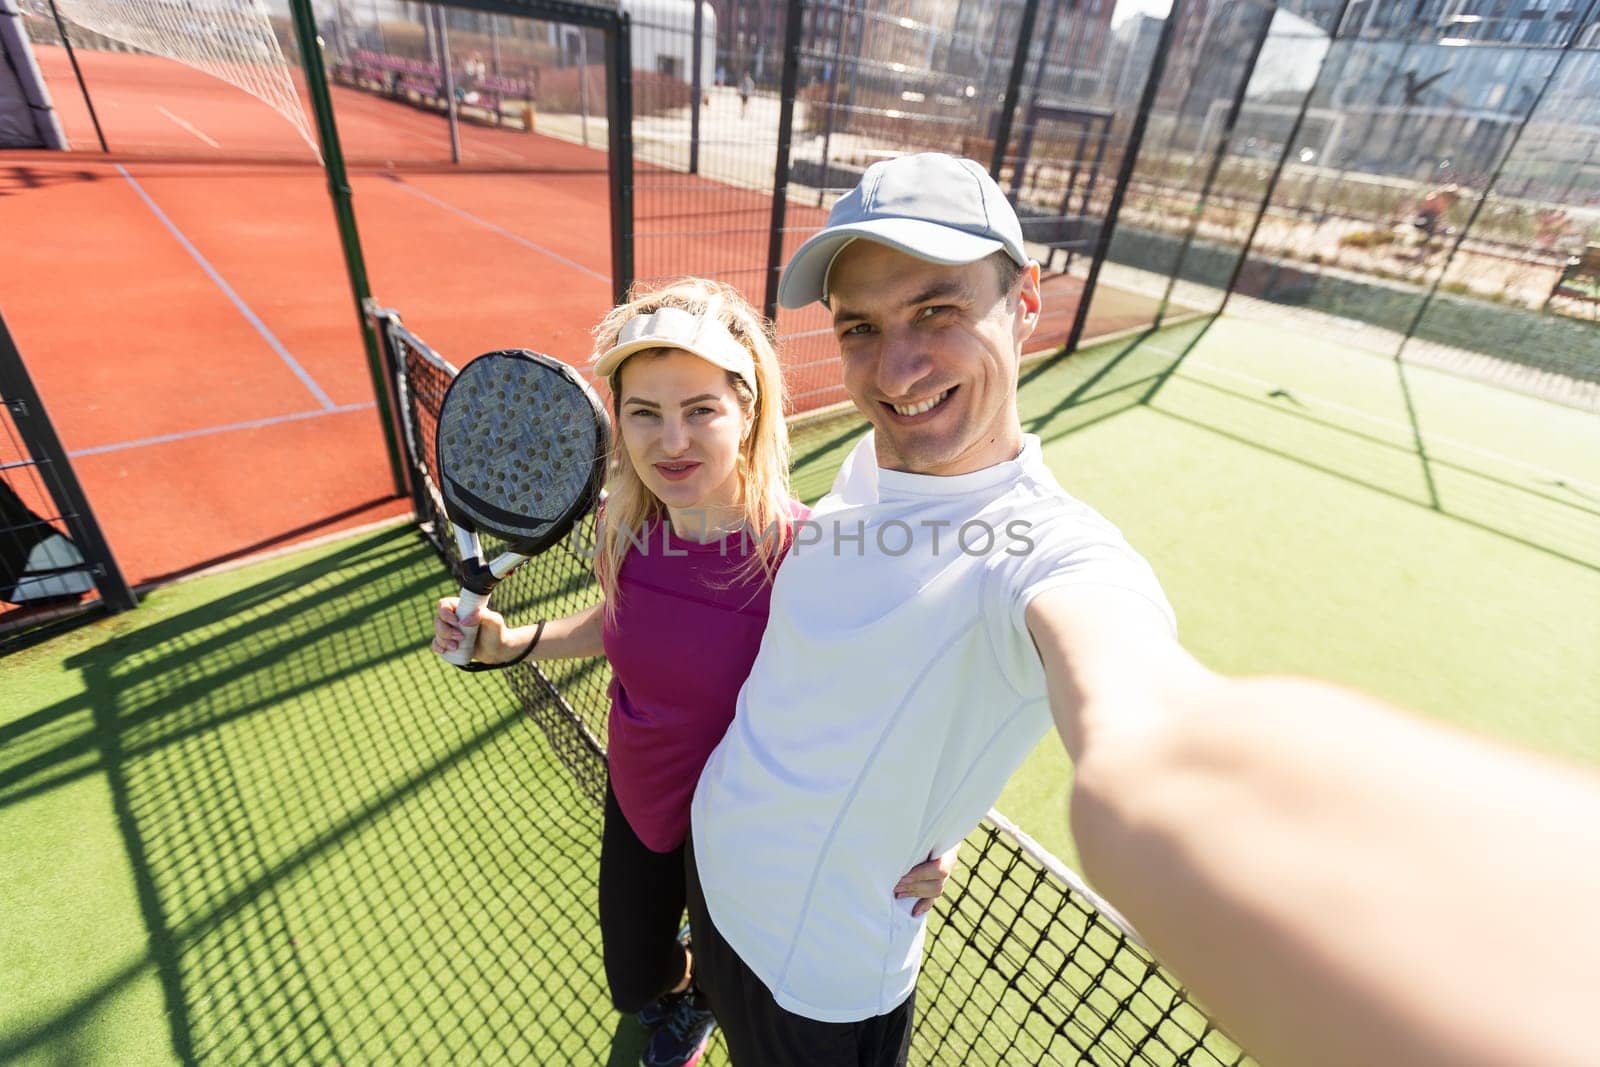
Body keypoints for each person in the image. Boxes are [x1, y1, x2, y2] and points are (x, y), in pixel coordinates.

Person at [685, 153, 1600, 1065]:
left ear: (1027, 298)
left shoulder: (1048, 551)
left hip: (814, 979)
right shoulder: (866, 467)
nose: (896, 366)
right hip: (714, 873)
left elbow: (1155, 728)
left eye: (938, 308)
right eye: (860, 328)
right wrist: (933, 811)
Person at [429, 279, 957, 1067]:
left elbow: (902, 699)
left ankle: (702, 994)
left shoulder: (803, 557)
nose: (670, 440)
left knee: (723, 974)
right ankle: (678, 986)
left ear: (748, 414)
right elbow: (624, 629)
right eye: (644, 412)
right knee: (635, 976)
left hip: (749, 834)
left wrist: (936, 830)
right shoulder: (628, 524)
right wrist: (520, 642)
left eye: (700, 409)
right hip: (639, 795)